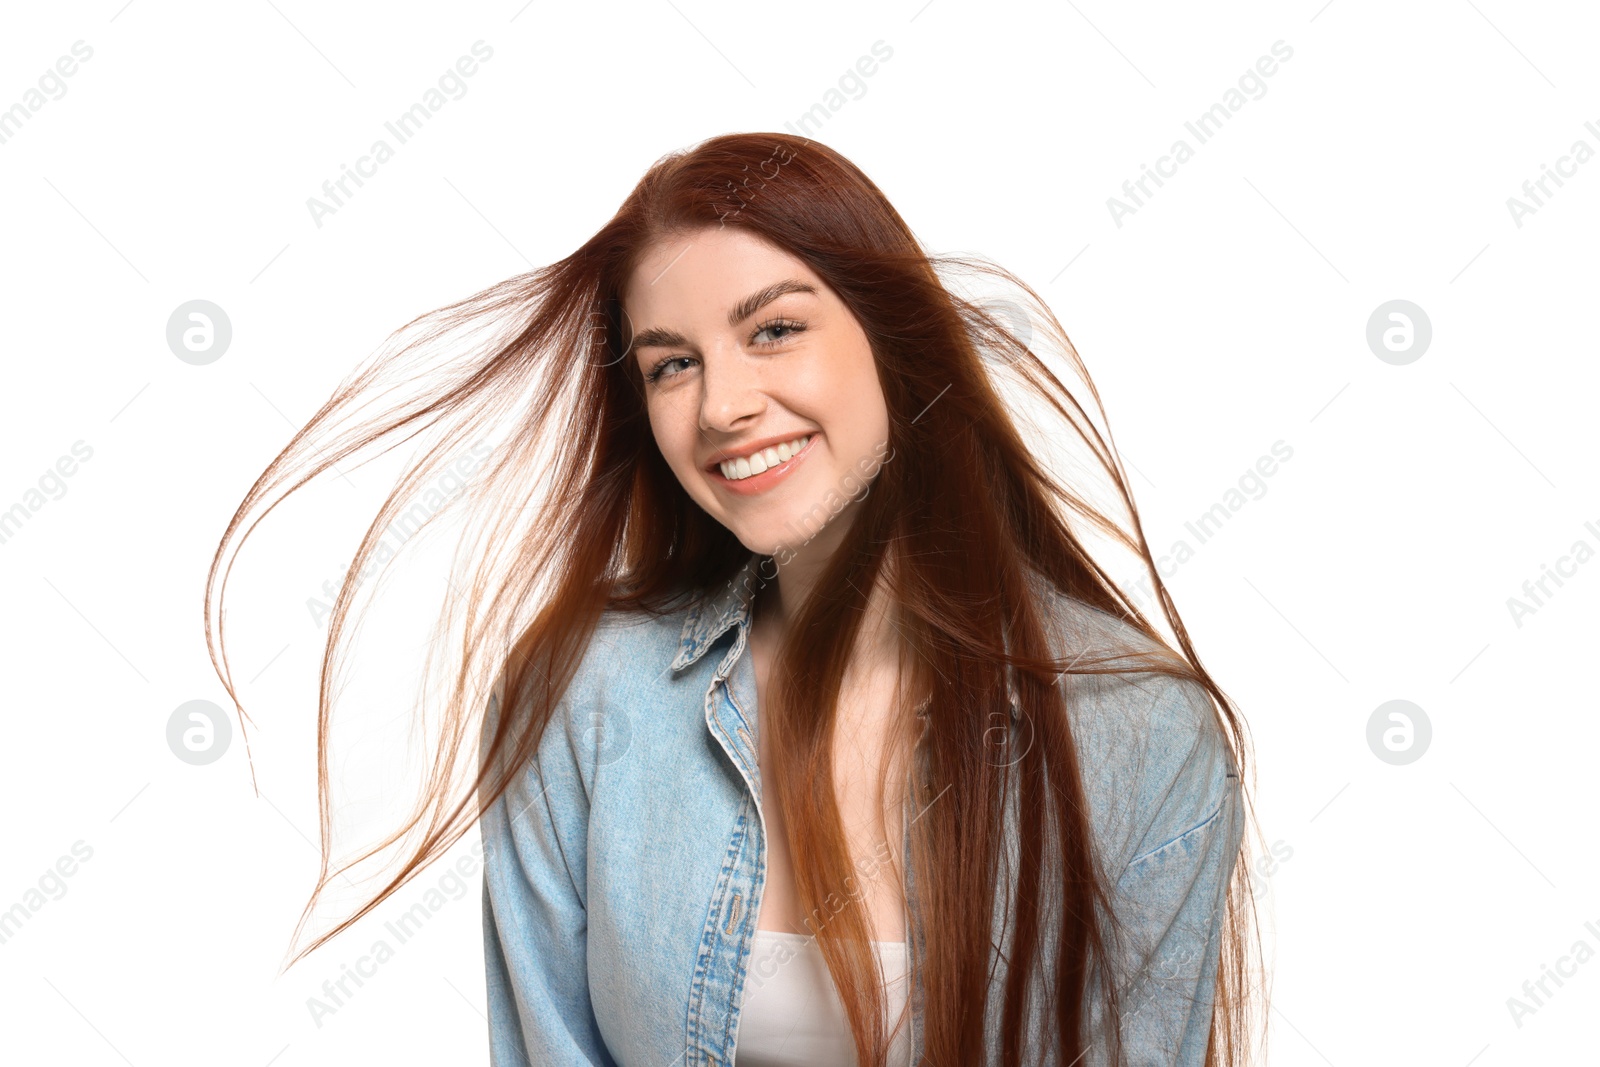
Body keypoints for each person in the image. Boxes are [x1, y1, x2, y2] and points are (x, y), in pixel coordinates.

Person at [207, 132, 1262, 1066]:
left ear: (898, 342)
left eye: (772, 331)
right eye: (672, 366)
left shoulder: (1142, 733)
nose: (721, 405)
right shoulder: (582, 696)